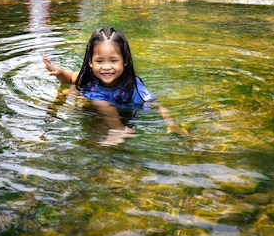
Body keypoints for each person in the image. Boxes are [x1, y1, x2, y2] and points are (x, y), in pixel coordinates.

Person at [42, 26, 187, 146]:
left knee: (99, 101)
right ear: (90, 63)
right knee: (67, 92)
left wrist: (171, 124)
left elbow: (157, 106)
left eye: (113, 61)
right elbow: (69, 78)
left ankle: (119, 130)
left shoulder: (133, 86)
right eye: (99, 61)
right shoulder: (89, 76)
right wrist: (59, 72)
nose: (106, 67)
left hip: (123, 112)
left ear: (125, 61)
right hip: (97, 109)